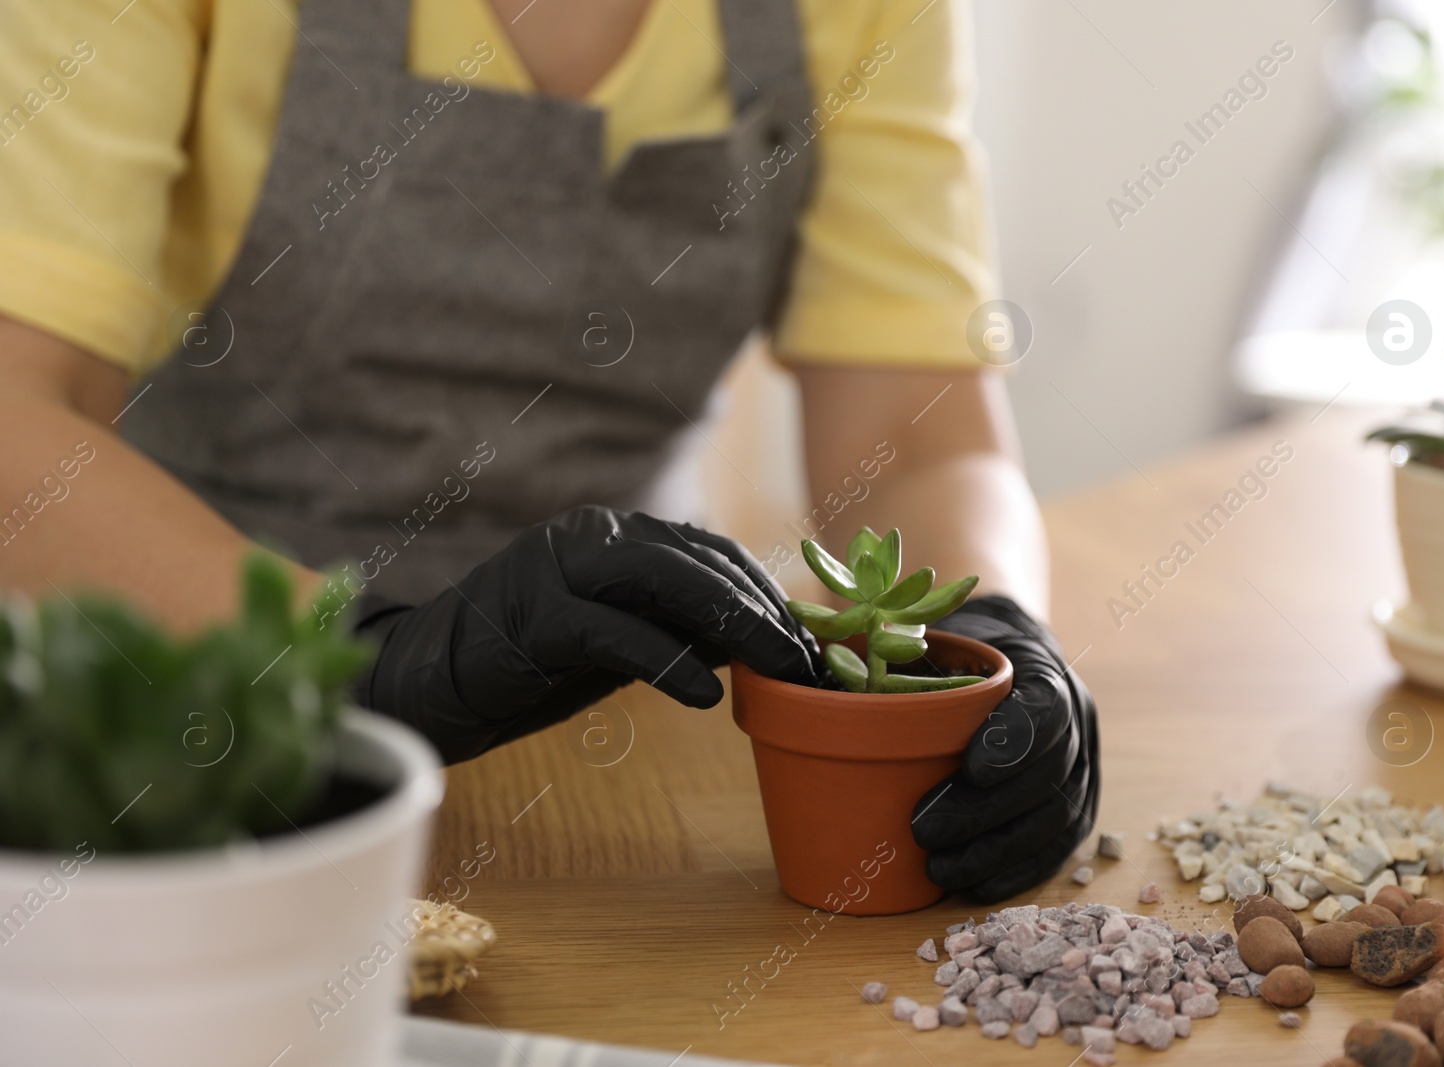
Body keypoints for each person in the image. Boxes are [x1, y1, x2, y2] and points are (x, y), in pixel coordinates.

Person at [0, 0, 1096, 902]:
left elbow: (917, 432)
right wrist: (358, 663)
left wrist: (994, 628)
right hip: (187, 731)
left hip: (625, 750)